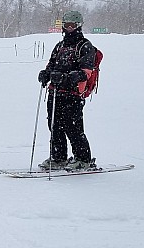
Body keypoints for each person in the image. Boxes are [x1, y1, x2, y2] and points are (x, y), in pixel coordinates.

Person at [37, 10, 97, 171]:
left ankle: (83, 159)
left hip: (73, 94)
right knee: (54, 126)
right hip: (55, 93)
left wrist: (65, 78)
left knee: (73, 127)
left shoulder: (85, 46)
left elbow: (85, 72)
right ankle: (58, 157)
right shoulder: (60, 46)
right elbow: (51, 65)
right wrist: (46, 74)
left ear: (78, 26)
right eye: (66, 25)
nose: (69, 28)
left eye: (72, 25)